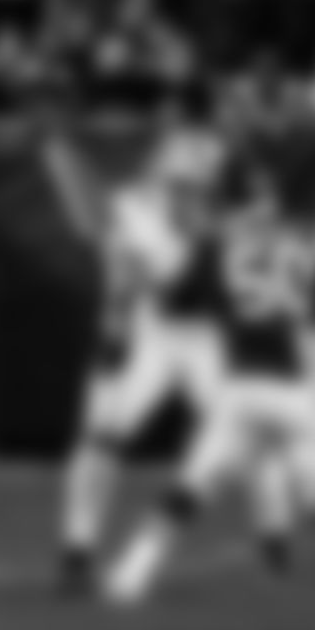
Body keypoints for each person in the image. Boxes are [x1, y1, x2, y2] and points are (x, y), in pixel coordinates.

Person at [104, 173, 315, 605]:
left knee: (192, 485)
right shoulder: (299, 242)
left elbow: (175, 298)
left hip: (240, 387)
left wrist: (150, 272)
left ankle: (131, 571)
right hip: (295, 390)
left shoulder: (216, 247)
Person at [55, 124, 229, 595]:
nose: (192, 193)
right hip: (151, 335)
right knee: (99, 438)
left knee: (227, 441)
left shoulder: (215, 213)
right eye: (183, 184)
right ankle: (77, 551)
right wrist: (113, 339)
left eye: (198, 185)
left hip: (209, 340)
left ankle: (147, 550)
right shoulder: (133, 210)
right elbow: (145, 281)